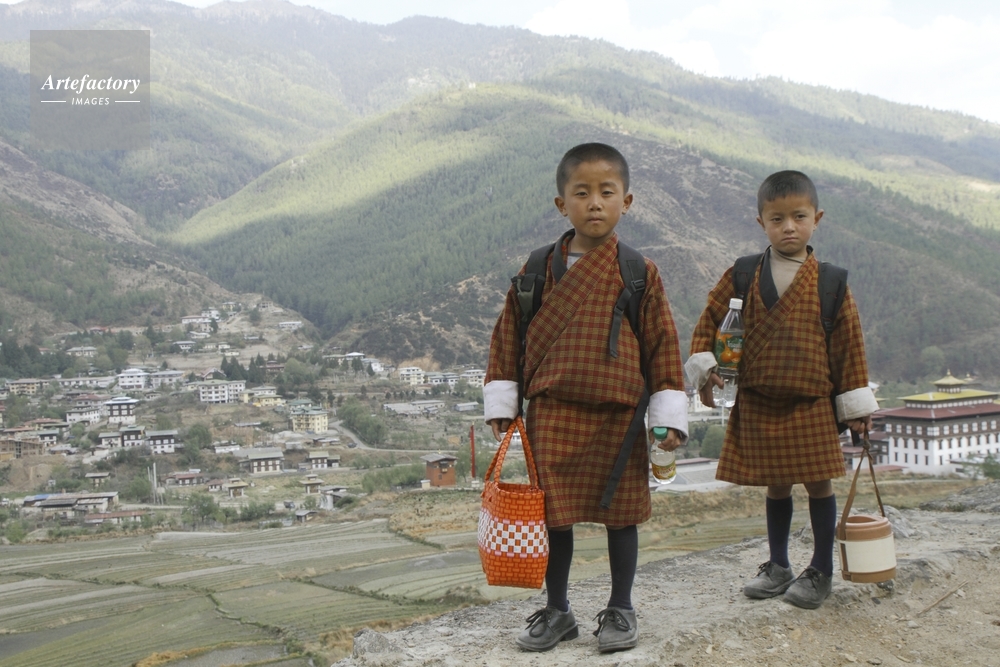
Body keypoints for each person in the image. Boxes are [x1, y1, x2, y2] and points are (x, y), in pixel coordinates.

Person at [483, 142, 689, 653]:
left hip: (620, 413)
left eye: (606, 192)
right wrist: (504, 403)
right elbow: (508, 336)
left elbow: (662, 343)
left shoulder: (638, 270)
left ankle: (621, 608)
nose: (594, 203)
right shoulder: (538, 269)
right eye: (581, 193)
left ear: (626, 201)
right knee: (554, 516)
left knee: (622, 514)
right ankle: (558, 611)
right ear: (562, 204)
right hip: (552, 412)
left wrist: (666, 414)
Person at [685, 170, 878, 610]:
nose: (788, 227)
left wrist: (855, 407)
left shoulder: (830, 282)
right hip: (759, 398)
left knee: (819, 486)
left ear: (816, 219)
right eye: (777, 219)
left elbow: (849, 347)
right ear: (762, 223)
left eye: (799, 217)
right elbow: (708, 321)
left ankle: (821, 569)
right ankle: (778, 565)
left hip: (811, 402)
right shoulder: (743, 274)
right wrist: (707, 369)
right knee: (776, 487)